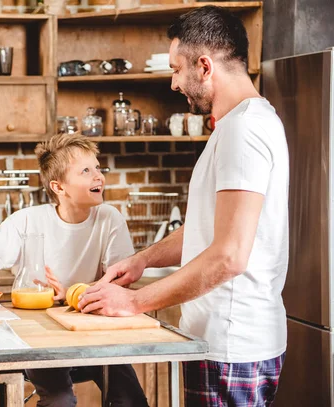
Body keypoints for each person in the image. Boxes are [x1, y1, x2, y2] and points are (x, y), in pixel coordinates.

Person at [78, 6, 289, 407]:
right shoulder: (240, 124)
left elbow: (228, 256)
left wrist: (135, 301)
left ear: (205, 66)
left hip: (230, 346)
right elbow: (208, 230)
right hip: (229, 343)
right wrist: (144, 260)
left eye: (177, 69)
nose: (174, 83)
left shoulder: (244, 131)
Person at [0, 133, 149, 407]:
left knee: (129, 399)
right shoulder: (29, 220)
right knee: (60, 401)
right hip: (42, 336)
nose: (98, 176)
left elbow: (119, 284)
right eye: (86, 171)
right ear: (59, 187)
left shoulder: (109, 219)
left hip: (94, 332)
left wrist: (70, 294)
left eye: (98, 167)